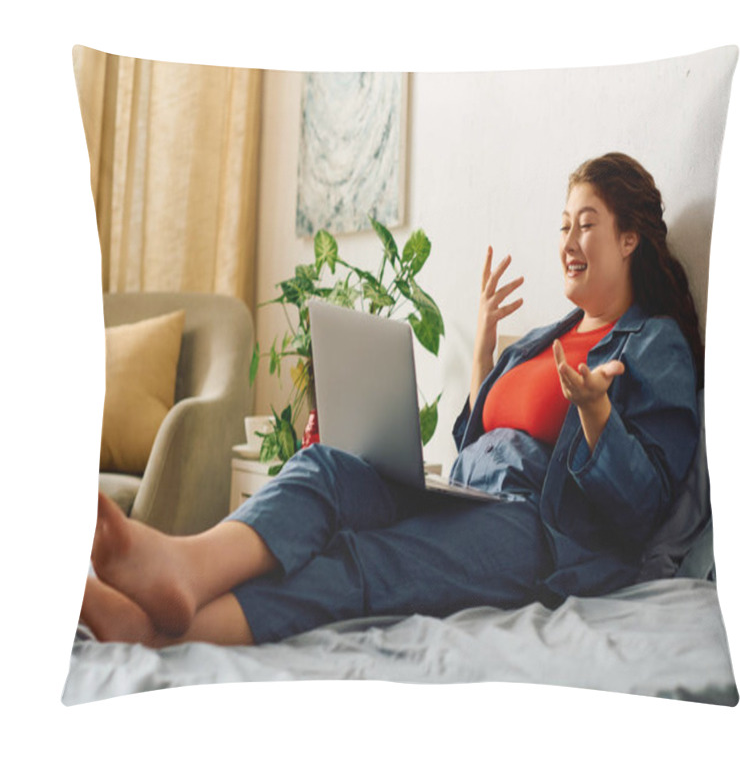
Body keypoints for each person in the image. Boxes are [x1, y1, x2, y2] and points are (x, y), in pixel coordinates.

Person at [81, 152, 702, 648]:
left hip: (545, 533)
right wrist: (485, 352)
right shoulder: (547, 338)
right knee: (326, 468)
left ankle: (161, 632)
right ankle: (185, 566)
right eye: (564, 224)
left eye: (587, 224)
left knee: (367, 560)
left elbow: (642, 507)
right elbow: (474, 447)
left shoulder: (654, 343)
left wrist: (597, 416)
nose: (569, 238)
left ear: (629, 240)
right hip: (477, 499)